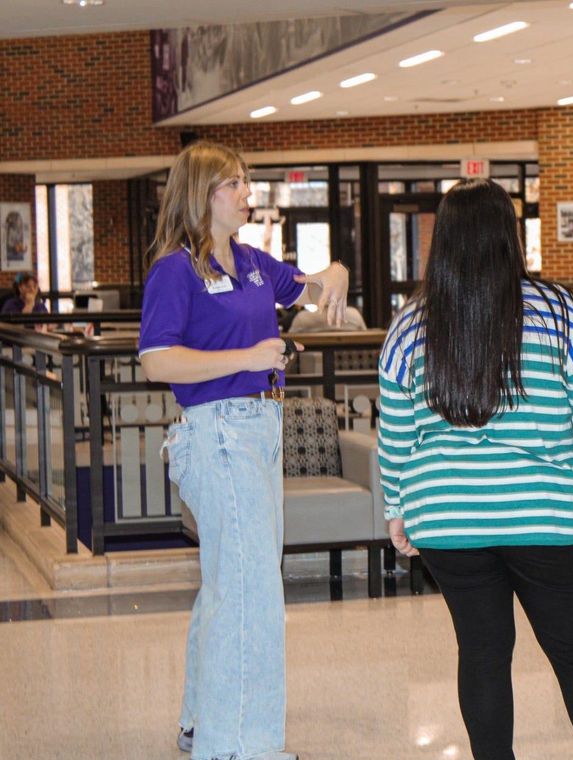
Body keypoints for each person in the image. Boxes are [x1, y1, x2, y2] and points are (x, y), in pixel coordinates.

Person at [378, 179, 573, 760]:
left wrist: (398, 511)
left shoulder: (409, 327)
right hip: (547, 513)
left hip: (446, 520)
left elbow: (397, 437)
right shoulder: (561, 314)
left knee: (483, 653)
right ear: (509, 237)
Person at [139, 140, 349, 760]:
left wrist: (332, 274)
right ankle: (240, 746)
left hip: (261, 431)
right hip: (217, 433)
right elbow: (157, 360)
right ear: (203, 194)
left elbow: (308, 290)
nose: (247, 194)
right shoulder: (175, 269)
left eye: (246, 182)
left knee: (229, 585)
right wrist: (251, 358)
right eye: (235, 184)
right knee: (251, 590)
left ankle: (202, 723)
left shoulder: (253, 262)